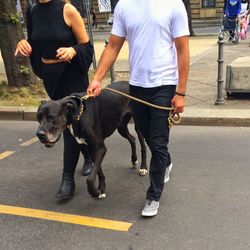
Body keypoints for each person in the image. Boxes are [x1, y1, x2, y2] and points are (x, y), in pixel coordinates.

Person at [87, 0, 190, 217]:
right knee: (148, 135)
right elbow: (113, 45)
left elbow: (182, 48)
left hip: (164, 84)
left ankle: (153, 196)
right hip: (137, 85)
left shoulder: (174, 4)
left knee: (159, 142)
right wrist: (97, 79)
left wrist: (180, 92)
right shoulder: (124, 5)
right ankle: (166, 162)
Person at [15, 0, 94, 200]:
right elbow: (35, 43)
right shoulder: (32, 11)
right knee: (74, 127)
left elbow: (87, 47)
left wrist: (73, 51)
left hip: (72, 76)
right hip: (51, 77)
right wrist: (23, 43)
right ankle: (89, 156)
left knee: (66, 126)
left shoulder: (67, 9)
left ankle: (67, 179)